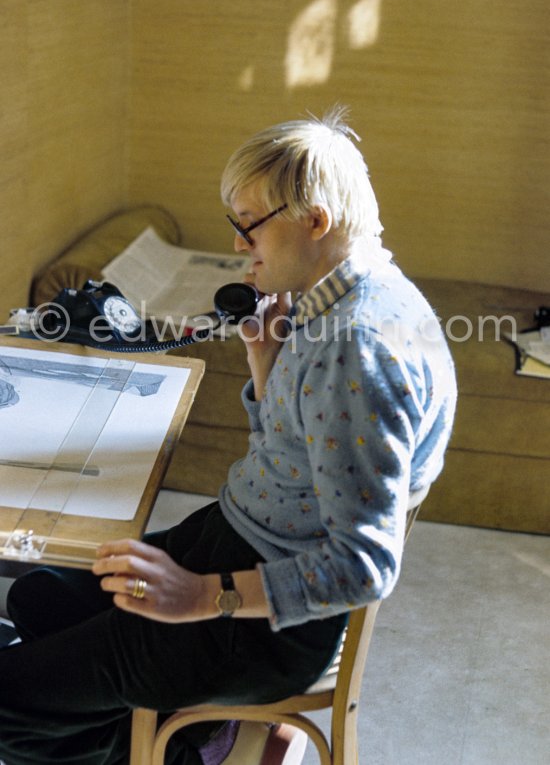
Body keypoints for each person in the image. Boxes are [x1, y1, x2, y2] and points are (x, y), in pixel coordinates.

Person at [0, 107, 457, 765]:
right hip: (239, 539)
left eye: (247, 226)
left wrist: (201, 598)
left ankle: (180, 752)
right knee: (37, 597)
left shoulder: (356, 348)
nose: (241, 246)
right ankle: (174, 725)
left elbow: (365, 565)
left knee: (12, 704)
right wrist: (266, 358)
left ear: (315, 221)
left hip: (268, 626)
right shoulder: (353, 296)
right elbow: (301, 454)